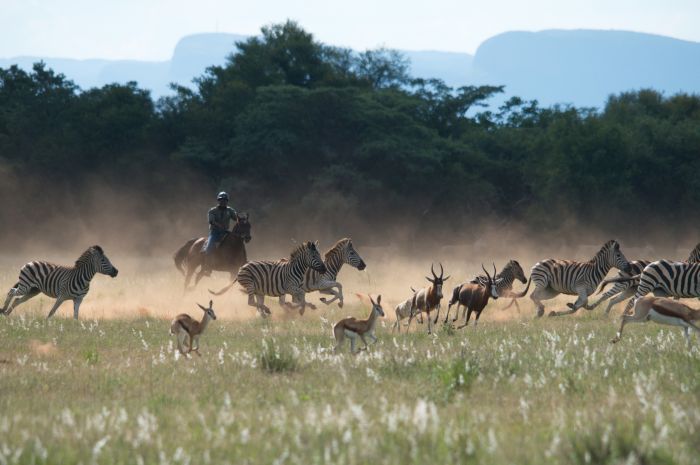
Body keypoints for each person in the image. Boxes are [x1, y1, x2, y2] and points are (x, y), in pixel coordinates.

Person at [201, 192, 237, 275]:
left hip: (225, 232)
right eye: (221, 200)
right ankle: (207, 268)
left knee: (236, 243)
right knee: (209, 247)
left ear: (227, 201)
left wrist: (241, 217)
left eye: (225, 200)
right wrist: (219, 225)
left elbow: (236, 217)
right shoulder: (212, 210)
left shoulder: (230, 210)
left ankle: (237, 263)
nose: (223, 202)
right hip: (215, 233)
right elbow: (211, 221)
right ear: (218, 200)